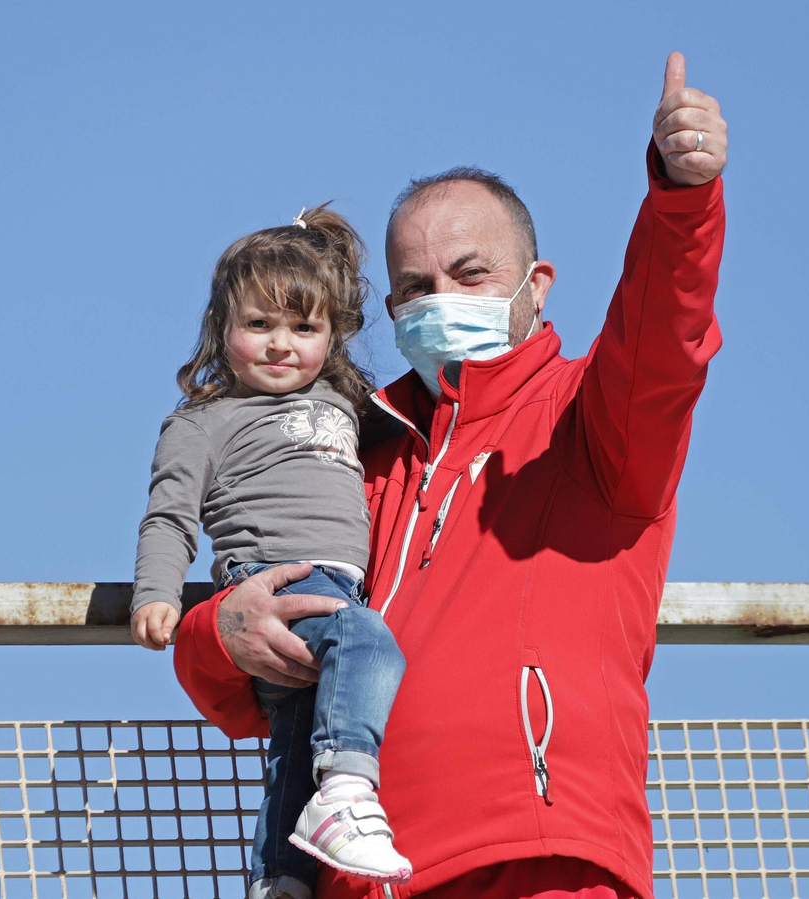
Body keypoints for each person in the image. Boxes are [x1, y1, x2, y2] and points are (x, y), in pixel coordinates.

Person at [174, 52, 729, 899]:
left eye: (471, 274)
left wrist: (681, 201)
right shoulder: (348, 455)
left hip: (537, 863)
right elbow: (238, 669)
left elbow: (665, 339)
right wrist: (221, 634)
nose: (441, 300)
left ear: (537, 287)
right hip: (357, 881)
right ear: (390, 313)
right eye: (414, 287)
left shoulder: (596, 421)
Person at [129, 205, 414, 897]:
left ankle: (281, 878)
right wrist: (158, 593)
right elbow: (169, 515)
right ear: (221, 328)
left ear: (333, 335)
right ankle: (347, 783)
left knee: (291, 746)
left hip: (338, 584)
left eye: (304, 327)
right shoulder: (204, 421)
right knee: (369, 641)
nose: (281, 343)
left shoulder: (345, 402)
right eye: (259, 325)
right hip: (277, 582)